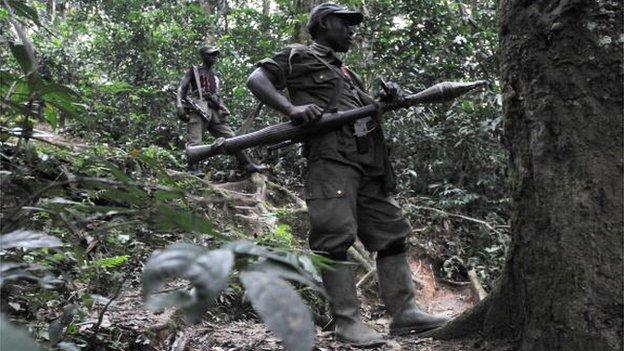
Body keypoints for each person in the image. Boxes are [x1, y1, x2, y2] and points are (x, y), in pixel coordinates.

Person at [246, 3, 449, 347]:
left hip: (366, 163)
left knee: (392, 232)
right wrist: (291, 108)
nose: (352, 31)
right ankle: (347, 323)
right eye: (345, 24)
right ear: (324, 24)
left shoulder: (346, 74)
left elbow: (365, 109)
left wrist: (387, 99)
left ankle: (405, 314)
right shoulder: (298, 56)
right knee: (334, 236)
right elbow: (257, 79)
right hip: (331, 160)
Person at [176, 46, 266, 175]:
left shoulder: (215, 75)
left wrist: (222, 106)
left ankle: (246, 164)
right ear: (203, 56)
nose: (213, 57)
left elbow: (216, 94)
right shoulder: (195, 70)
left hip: (215, 110)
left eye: (215, 55)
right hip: (199, 107)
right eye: (210, 54)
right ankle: (192, 169)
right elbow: (181, 88)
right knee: (195, 140)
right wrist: (179, 105)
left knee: (232, 138)